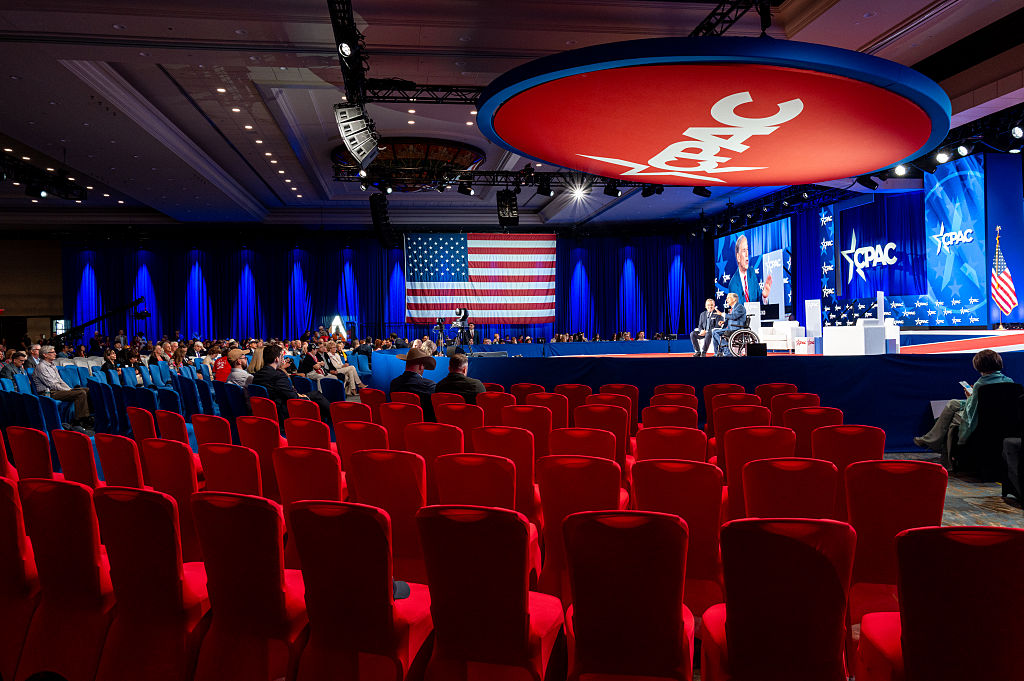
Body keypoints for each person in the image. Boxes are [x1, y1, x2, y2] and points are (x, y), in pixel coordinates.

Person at [915, 349, 1013, 467]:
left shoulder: (980, 385)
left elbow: (971, 411)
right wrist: (972, 397)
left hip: (981, 418)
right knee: (953, 403)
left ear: (978, 366)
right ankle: (930, 439)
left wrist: (962, 436)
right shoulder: (1009, 382)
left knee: (952, 420)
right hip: (998, 417)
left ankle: (937, 446)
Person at [252, 344, 330, 423]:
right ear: (276, 359)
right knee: (316, 395)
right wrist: (304, 396)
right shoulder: (278, 375)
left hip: (267, 412)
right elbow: (293, 397)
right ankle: (333, 418)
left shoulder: (257, 375)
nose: (283, 360)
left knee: (315, 396)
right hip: (284, 412)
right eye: (282, 357)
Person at [31, 345, 92, 430]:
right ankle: (80, 421)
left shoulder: (52, 365)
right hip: (49, 393)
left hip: (57, 390)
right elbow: (52, 385)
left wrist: (69, 389)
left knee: (87, 390)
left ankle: (89, 415)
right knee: (80, 393)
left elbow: (60, 380)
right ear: (45, 355)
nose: (55, 354)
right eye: (52, 352)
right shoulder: (41, 367)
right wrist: (68, 390)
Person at [390, 347, 437, 420]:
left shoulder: (394, 383)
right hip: (423, 428)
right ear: (421, 366)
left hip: (400, 424)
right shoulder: (429, 386)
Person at [727, 234, 773, 305]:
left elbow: (758, 299)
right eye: (744, 250)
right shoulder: (733, 284)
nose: (747, 254)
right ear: (738, 257)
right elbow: (736, 310)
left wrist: (764, 296)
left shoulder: (752, 273)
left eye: (747, 250)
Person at [711, 292, 746, 357]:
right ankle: (718, 352)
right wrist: (724, 322)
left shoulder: (740, 307)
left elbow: (734, 316)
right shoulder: (733, 308)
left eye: (728, 298)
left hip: (737, 329)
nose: (726, 300)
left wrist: (721, 314)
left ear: (734, 299)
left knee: (715, 332)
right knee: (714, 332)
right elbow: (731, 317)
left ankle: (727, 350)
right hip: (731, 328)